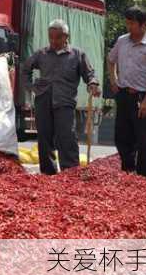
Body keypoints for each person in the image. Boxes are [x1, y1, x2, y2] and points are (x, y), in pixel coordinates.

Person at [22, 19, 101, 175]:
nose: (53, 41)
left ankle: (70, 172)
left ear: (66, 36)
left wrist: (93, 84)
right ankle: (48, 173)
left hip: (65, 102)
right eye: (50, 37)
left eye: (57, 37)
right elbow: (26, 70)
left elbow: (90, 74)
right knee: (44, 138)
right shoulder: (42, 54)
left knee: (67, 137)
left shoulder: (77, 55)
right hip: (43, 99)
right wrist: (31, 87)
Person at [108, 6, 146, 179]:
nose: (128, 26)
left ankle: (145, 178)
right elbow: (111, 60)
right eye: (127, 22)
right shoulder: (122, 41)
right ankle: (128, 172)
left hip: (142, 98)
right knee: (122, 137)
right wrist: (113, 80)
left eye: (132, 23)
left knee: (144, 140)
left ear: (144, 25)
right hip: (124, 96)